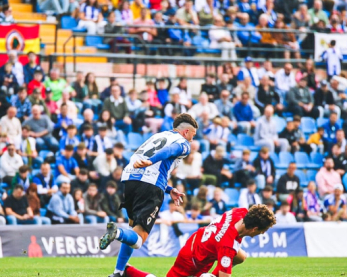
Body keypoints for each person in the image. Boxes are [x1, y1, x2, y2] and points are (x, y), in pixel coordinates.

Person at [99, 113, 197, 277]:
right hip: (150, 186)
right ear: (186, 132)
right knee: (138, 240)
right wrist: (151, 161)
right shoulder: (183, 143)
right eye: (192, 136)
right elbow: (169, 150)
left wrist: (169, 189)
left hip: (130, 180)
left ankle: (118, 272)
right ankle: (116, 233)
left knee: (133, 230)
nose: (192, 140)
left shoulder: (157, 136)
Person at [124, 205, 276, 277]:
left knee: (241, 256)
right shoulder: (227, 247)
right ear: (255, 228)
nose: (263, 233)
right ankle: (128, 270)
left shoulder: (241, 212)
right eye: (264, 230)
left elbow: (229, 234)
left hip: (200, 241)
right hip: (191, 260)